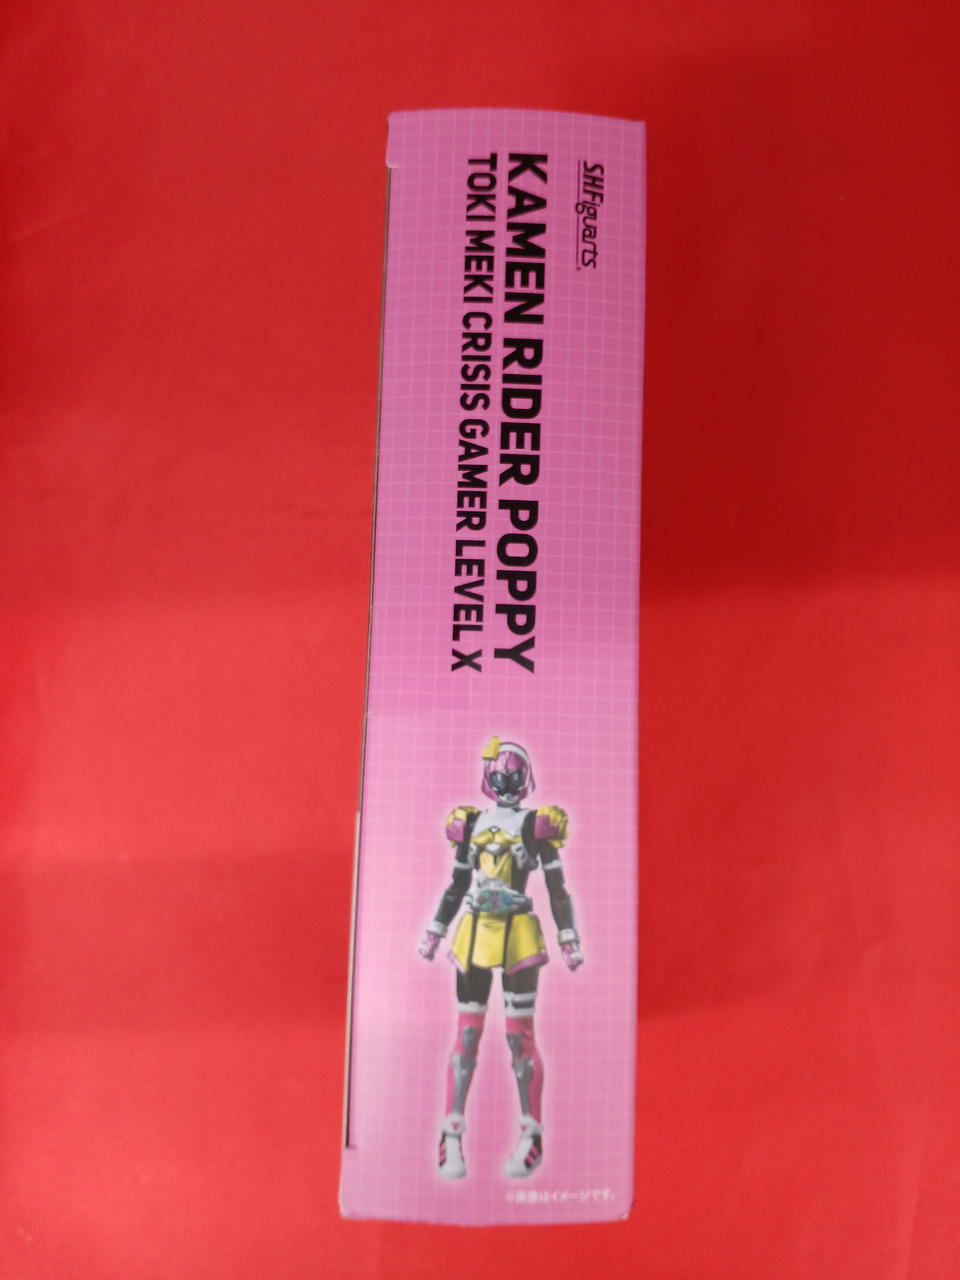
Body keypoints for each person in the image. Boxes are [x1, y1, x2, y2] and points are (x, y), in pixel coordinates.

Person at [418, 737, 583, 1178]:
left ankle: (531, 1134)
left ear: (524, 778)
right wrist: (436, 928)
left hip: (518, 937)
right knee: (467, 1033)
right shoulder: (470, 823)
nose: (506, 784)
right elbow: (457, 886)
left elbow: (557, 887)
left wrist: (567, 934)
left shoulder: (536, 824)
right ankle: (451, 1133)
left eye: (513, 777)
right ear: (488, 778)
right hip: (474, 933)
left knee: (518, 1036)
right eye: (499, 777)